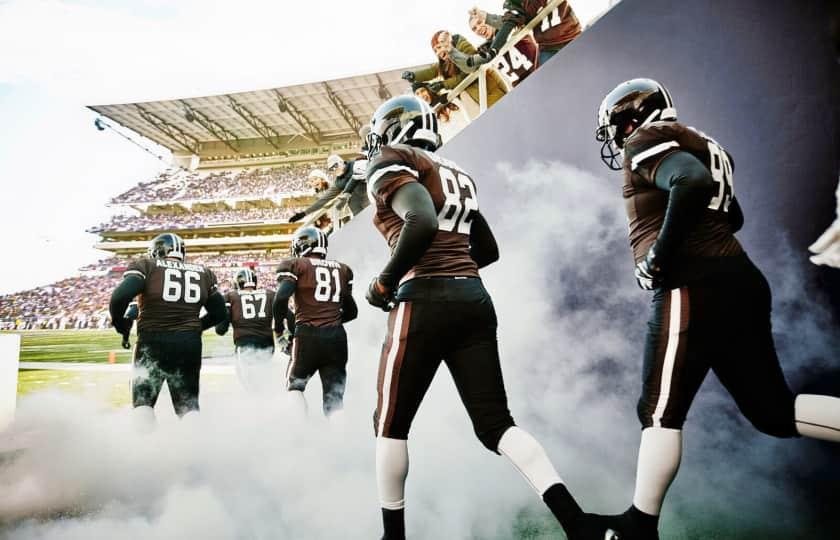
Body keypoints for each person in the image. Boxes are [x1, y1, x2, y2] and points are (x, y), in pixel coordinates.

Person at [594, 78, 840, 539]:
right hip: (739, 278)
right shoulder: (702, 141)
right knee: (772, 412)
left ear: (632, 118)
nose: (619, 137)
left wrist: (657, 257)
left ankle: (638, 527)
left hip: (694, 284)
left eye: (620, 125)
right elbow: (734, 215)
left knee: (659, 412)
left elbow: (690, 181)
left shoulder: (648, 140)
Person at [364, 95, 616, 540]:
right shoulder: (455, 172)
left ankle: (393, 537)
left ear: (391, 132)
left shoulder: (392, 159)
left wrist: (384, 281)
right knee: (497, 425)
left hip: (421, 299)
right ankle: (577, 524)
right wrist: (455, 276)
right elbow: (488, 250)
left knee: (390, 424)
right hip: (474, 300)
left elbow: (419, 221)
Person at [109, 233, 226, 419]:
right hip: (189, 344)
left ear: (157, 250)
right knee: (188, 408)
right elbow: (220, 314)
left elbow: (119, 297)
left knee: (143, 405)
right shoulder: (203, 273)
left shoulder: (147, 266)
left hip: (152, 340)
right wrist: (195, 328)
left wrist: (121, 326)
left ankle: (144, 446)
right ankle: (198, 446)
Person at [274, 227, 357, 417]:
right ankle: (341, 440)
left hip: (307, 335)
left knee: (294, 387)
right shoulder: (343, 269)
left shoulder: (296, 265)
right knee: (334, 397)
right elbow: (352, 312)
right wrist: (332, 320)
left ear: (301, 246)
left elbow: (280, 299)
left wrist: (278, 331)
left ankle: (301, 436)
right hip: (337, 338)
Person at [401, 30, 507, 116]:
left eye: (439, 47)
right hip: (477, 101)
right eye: (435, 51)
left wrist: (444, 84)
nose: (438, 52)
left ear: (447, 43)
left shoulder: (462, 47)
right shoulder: (445, 62)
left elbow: (467, 72)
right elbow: (431, 71)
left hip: (490, 92)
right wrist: (414, 76)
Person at [215, 268, 279, 392]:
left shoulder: (231, 296)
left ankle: (256, 407)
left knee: (250, 387)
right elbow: (289, 316)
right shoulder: (270, 294)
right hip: (267, 346)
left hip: (245, 345)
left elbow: (220, 329)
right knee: (264, 383)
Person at [473, 1, 581, 67]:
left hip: (571, 34)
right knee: (547, 83)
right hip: (548, 48)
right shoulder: (514, 4)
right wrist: (493, 50)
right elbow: (509, 22)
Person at [468, 7, 538, 87]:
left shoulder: (508, 24)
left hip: (539, 68)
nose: (478, 28)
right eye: (474, 29)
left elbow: (507, 22)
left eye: (480, 22)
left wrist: (487, 17)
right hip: (521, 87)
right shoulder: (485, 49)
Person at [288, 154, 368, 223]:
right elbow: (323, 200)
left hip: (370, 201)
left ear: (341, 162)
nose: (334, 170)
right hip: (358, 211)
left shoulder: (355, 165)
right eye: (331, 169)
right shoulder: (338, 183)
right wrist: (304, 213)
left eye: (335, 166)